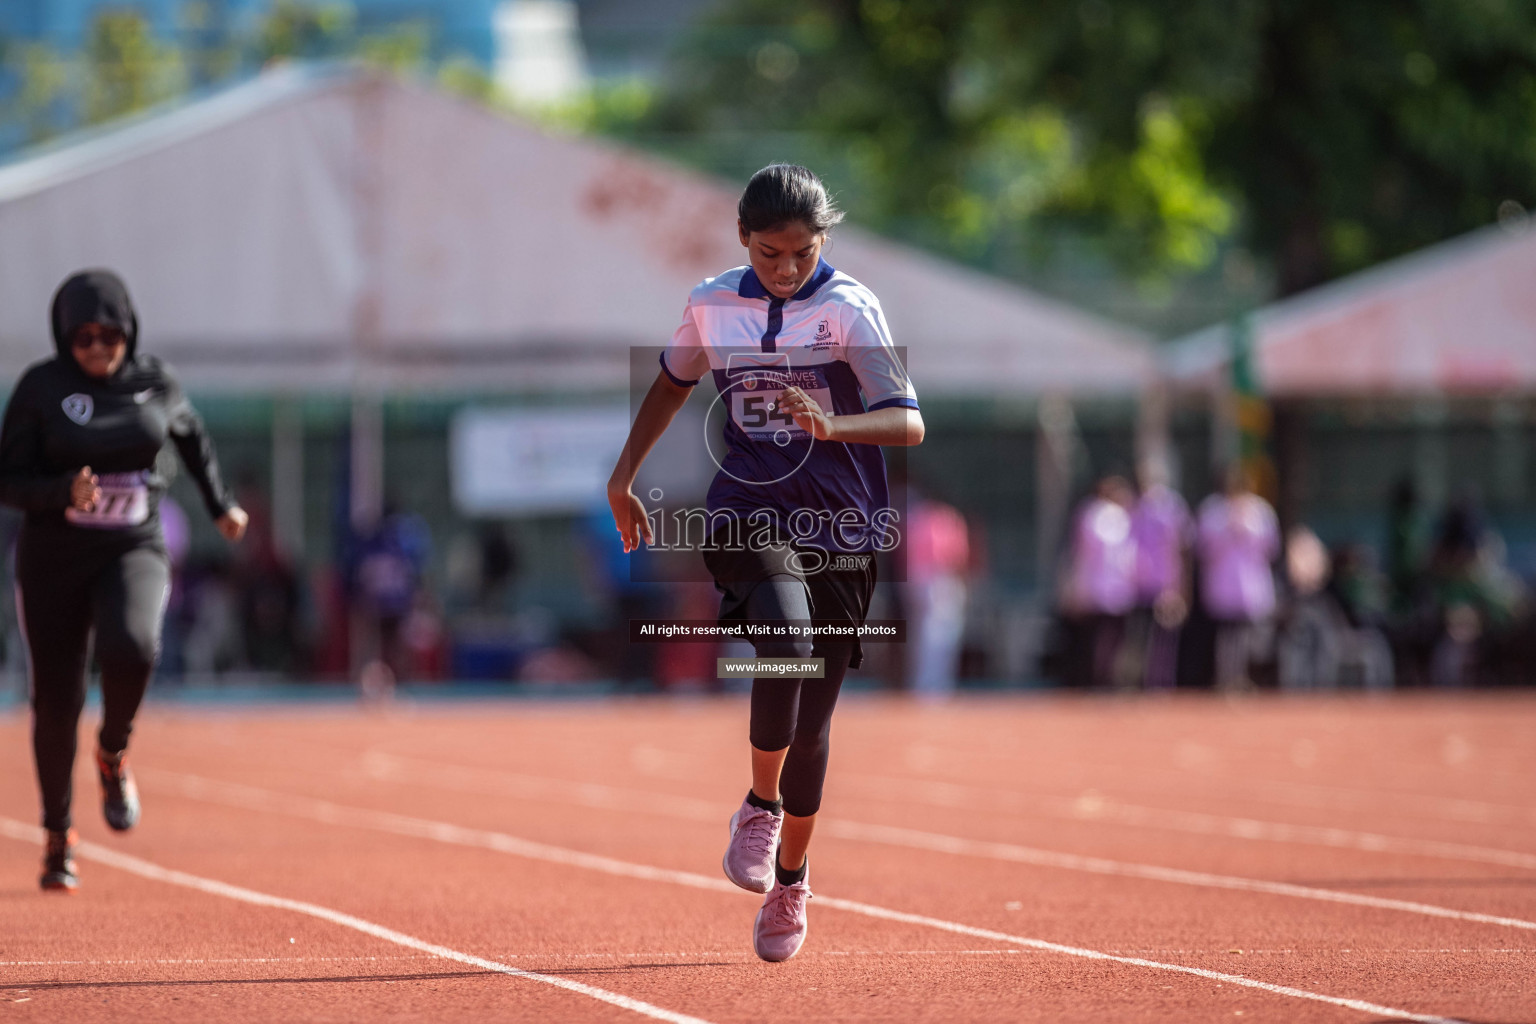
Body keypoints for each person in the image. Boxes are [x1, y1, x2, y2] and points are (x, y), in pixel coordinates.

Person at [607, 164, 923, 962]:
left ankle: (791, 881)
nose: (787, 269)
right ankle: (758, 805)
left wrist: (834, 427)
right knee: (784, 640)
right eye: (772, 252)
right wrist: (623, 477)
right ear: (743, 238)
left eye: (804, 254)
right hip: (747, 507)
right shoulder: (712, 301)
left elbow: (907, 423)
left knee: (815, 725)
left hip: (842, 527)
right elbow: (672, 384)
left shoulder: (850, 308)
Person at [0, 270, 247, 892]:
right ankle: (59, 837)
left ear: (128, 332)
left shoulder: (154, 381)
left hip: (131, 543)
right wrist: (62, 492)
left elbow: (192, 439)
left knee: (133, 646)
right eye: (81, 336)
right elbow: (8, 480)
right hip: (53, 556)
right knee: (56, 702)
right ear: (64, 337)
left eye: (108, 335)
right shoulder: (40, 388)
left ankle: (113, 752)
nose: (96, 347)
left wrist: (220, 506)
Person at [1195, 464, 1279, 692]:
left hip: (1250, 584)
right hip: (1224, 582)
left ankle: (1242, 676)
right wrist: (1227, 532)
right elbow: (1203, 547)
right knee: (1225, 634)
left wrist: (1246, 531)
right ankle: (1225, 677)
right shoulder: (1213, 510)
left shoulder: (1260, 511)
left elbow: (1271, 547)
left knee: (1247, 635)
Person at [1060, 476, 1137, 689]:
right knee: (1103, 640)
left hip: (1101, 588)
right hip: (1104, 588)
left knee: (1100, 639)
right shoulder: (1107, 515)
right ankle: (1101, 681)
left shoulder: (1090, 514)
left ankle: (1098, 681)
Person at [1129, 461, 1192, 690]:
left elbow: (1179, 548)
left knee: (1163, 638)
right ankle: (1144, 682)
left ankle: (1160, 682)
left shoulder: (1169, 506)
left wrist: (1179, 585)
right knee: (1141, 637)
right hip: (1142, 582)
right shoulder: (1137, 507)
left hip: (1164, 581)